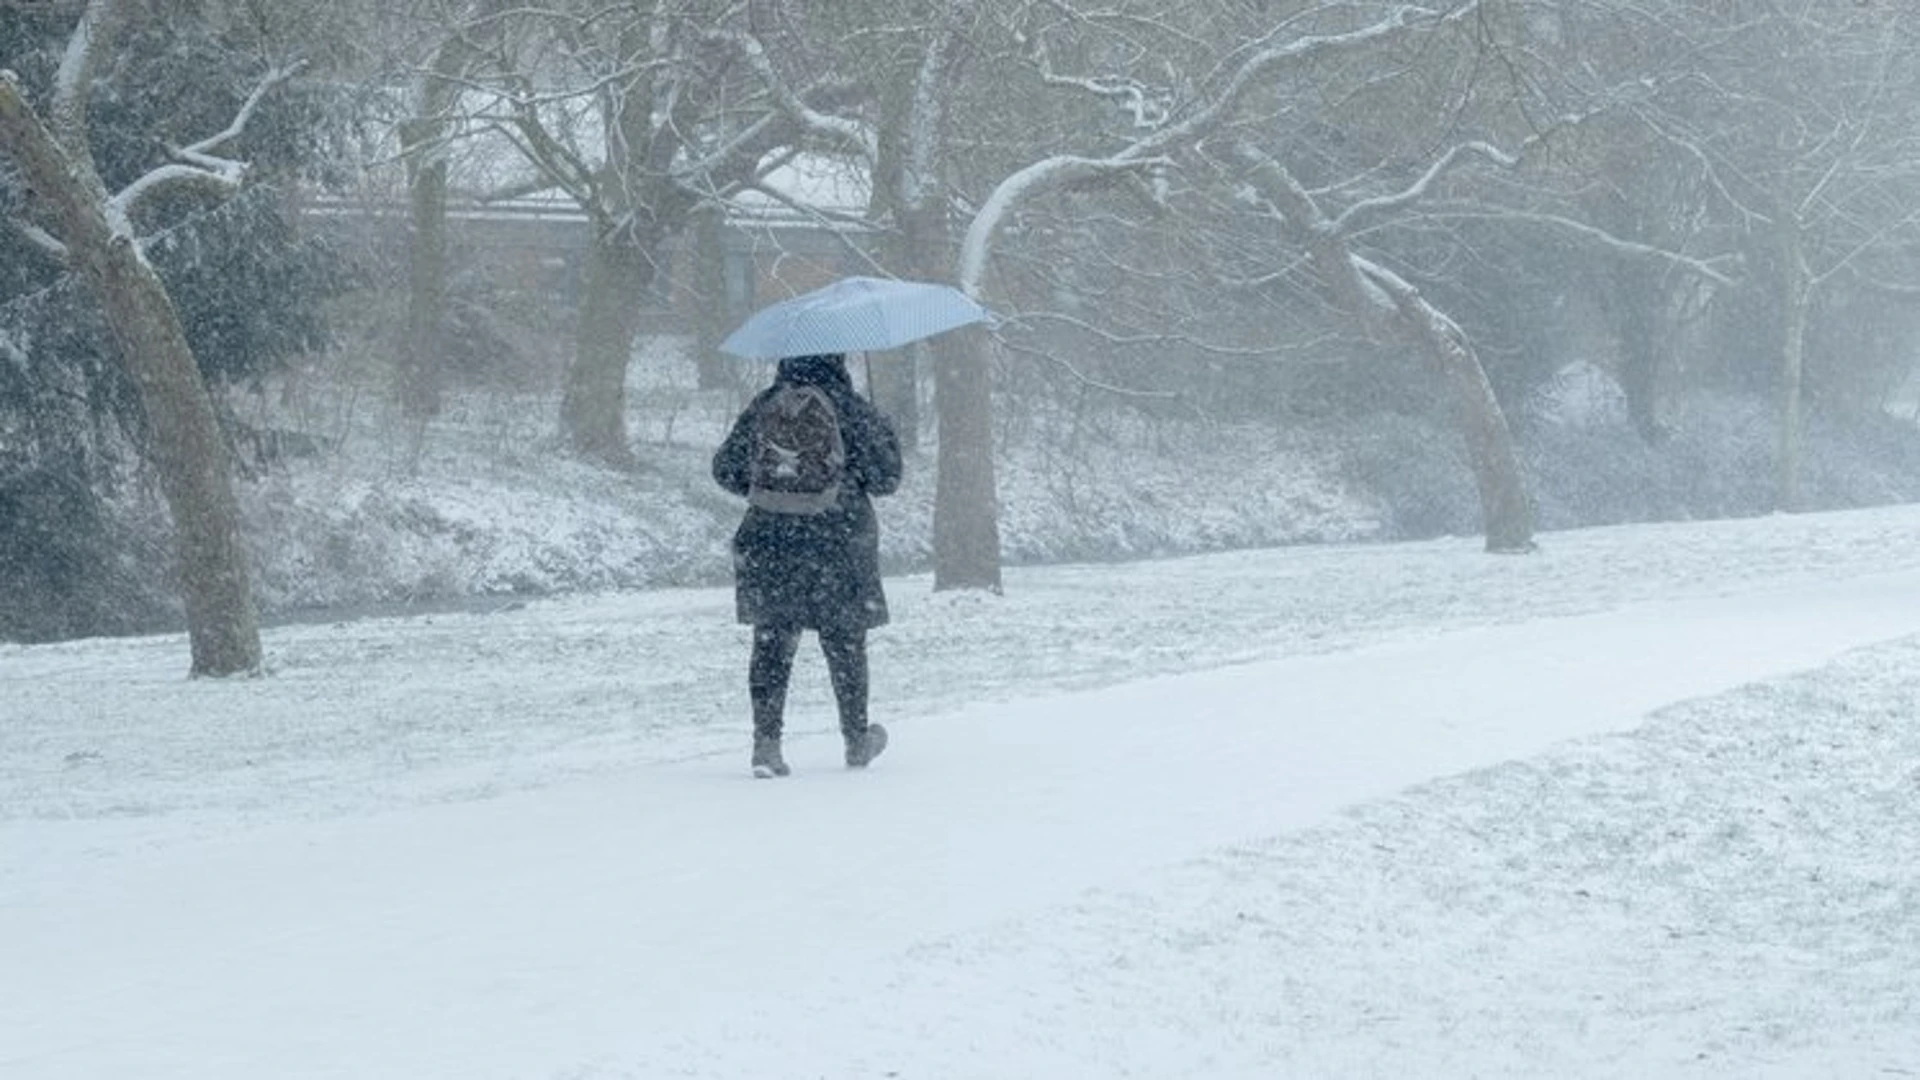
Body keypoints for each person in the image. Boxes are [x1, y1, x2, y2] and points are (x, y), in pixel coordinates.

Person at [712, 353, 903, 778]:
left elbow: (724, 470)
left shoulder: (766, 406)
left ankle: (766, 744)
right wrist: (883, 429)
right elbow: (887, 478)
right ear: (838, 360)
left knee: (772, 643)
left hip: (770, 541)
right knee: (845, 643)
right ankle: (856, 739)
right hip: (839, 541)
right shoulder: (852, 408)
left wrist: (773, 489)